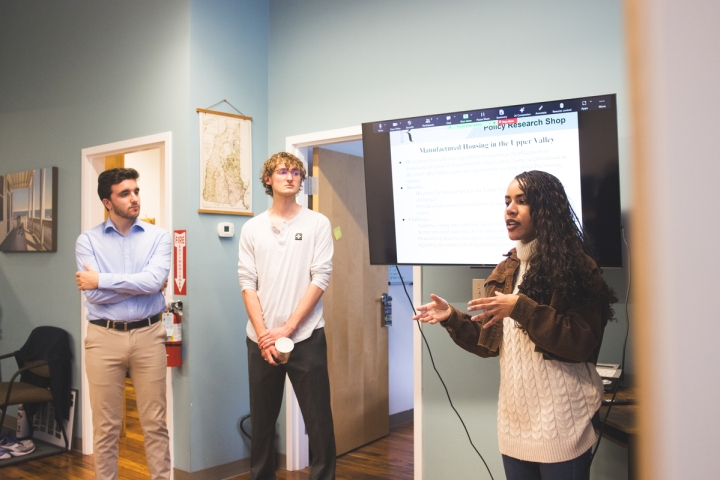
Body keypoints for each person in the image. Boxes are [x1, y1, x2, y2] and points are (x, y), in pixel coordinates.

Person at [413, 170, 617, 480]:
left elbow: (580, 342)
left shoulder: (577, 266)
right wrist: (452, 318)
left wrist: (521, 308)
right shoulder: (508, 267)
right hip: (515, 425)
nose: (510, 209)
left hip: (563, 424)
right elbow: (489, 342)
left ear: (547, 210)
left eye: (522, 201)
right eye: (507, 201)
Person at [238, 152, 336, 480]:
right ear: (269, 179)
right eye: (282, 171)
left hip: (306, 337)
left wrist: (287, 329)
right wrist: (265, 333)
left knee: (319, 423)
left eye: (296, 172)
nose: (290, 176)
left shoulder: (317, 224)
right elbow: (247, 284)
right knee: (262, 424)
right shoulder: (252, 229)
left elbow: (320, 278)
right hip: (260, 342)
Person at [76, 168, 171, 480]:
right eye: (125, 193)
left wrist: (102, 279)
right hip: (104, 337)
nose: (134, 198)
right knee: (106, 427)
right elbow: (95, 296)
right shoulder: (87, 240)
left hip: (149, 334)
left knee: (155, 423)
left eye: (136, 191)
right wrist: (140, 285)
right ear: (108, 201)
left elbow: (155, 279)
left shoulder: (159, 237)